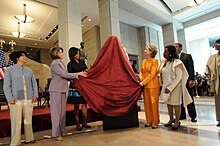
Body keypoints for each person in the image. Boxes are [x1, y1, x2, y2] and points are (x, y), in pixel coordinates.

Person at [49, 47, 87, 141]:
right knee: (56, 113)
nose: (62, 53)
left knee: (62, 112)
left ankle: (62, 131)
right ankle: (56, 134)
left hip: (62, 89)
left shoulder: (61, 63)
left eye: (62, 52)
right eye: (60, 52)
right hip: (55, 89)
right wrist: (79, 74)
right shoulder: (54, 64)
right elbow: (65, 75)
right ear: (55, 53)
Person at [4, 51, 38, 146]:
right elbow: (7, 86)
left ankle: (29, 138)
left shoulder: (29, 70)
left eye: (25, 55)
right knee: (16, 120)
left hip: (29, 98)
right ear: (17, 58)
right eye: (22, 56)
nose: (25, 57)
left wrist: (35, 95)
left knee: (28, 120)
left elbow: (34, 84)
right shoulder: (9, 70)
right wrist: (10, 98)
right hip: (16, 98)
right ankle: (15, 142)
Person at [159, 45, 192, 130]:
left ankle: (177, 120)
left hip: (175, 87)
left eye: (166, 51)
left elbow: (179, 77)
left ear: (170, 53)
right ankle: (171, 119)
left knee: (176, 103)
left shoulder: (177, 62)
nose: (164, 53)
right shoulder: (163, 62)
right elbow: (161, 74)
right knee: (169, 103)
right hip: (165, 86)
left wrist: (170, 88)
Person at [67, 47, 91, 131]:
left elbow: (86, 70)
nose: (78, 55)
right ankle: (77, 123)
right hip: (75, 87)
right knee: (76, 105)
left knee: (84, 104)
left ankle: (84, 122)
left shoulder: (82, 62)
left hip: (83, 86)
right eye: (77, 53)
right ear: (73, 54)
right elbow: (69, 75)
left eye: (78, 53)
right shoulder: (70, 64)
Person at [175, 43, 197, 122]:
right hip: (178, 82)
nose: (175, 48)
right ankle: (182, 115)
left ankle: (193, 116)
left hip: (187, 80)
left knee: (189, 98)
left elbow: (191, 68)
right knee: (179, 99)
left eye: (176, 46)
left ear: (180, 48)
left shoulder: (187, 56)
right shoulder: (174, 58)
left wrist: (191, 79)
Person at [139, 45, 160, 129]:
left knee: (153, 104)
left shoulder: (155, 61)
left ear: (151, 52)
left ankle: (155, 122)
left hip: (153, 85)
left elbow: (153, 74)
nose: (145, 50)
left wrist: (143, 82)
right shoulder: (144, 61)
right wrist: (140, 76)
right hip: (145, 85)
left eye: (147, 49)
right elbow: (141, 71)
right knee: (147, 104)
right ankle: (149, 121)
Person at [206, 38, 220, 127]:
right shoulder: (212, 57)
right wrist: (208, 74)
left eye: (218, 43)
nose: (216, 45)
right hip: (217, 80)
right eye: (216, 43)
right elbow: (208, 67)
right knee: (218, 100)